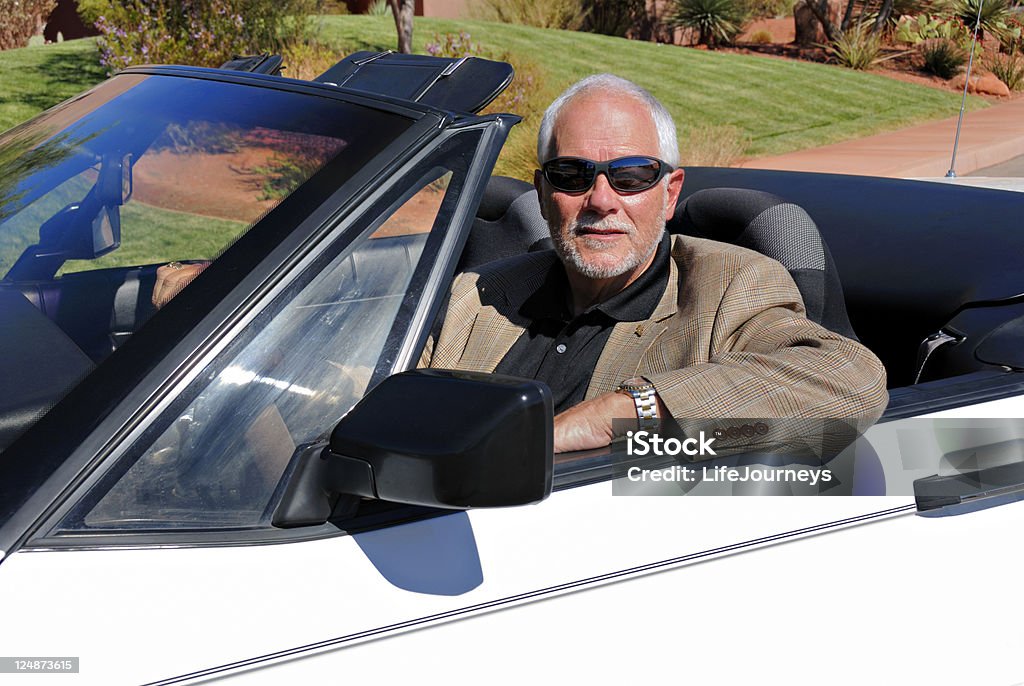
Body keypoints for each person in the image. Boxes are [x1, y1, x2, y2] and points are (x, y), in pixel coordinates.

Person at [422, 73, 888, 454]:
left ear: (669, 193)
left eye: (631, 177)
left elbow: (852, 378)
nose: (601, 200)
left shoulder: (729, 290)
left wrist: (623, 413)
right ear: (543, 194)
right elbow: (369, 377)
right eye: (571, 175)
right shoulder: (478, 294)